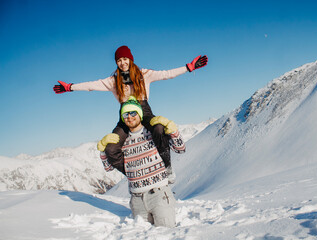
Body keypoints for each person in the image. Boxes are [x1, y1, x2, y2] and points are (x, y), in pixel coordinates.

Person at [53, 46, 207, 180]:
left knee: (159, 128)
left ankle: (167, 167)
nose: (122, 63)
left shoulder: (143, 74)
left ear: (131, 59)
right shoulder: (113, 81)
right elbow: (91, 85)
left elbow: (166, 74)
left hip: (144, 112)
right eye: (119, 60)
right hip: (125, 117)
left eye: (125, 59)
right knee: (111, 148)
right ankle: (133, 175)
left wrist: (188, 67)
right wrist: (70, 87)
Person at [97, 96, 186, 228]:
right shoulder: (121, 141)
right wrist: (103, 151)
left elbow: (180, 149)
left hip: (160, 195)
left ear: (139, 113)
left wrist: (172, 130)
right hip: (136, 200)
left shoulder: (153, 132)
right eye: (125, 114)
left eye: (133, 113)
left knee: (166, 235)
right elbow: (109, 168)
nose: (129, 117)